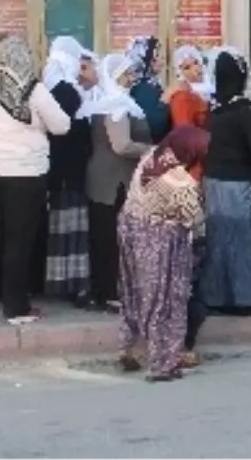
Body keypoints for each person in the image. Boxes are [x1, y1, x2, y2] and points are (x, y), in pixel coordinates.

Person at [0, 35, 72, 325]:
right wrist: (35, 125)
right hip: (25, 174)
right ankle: (16, 307)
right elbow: (62, 125)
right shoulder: (34, 89)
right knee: (19, 240)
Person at [117, 126, 210, 382]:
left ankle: (129, 348)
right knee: (164, 301)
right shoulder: (178, 180)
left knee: (135, 292)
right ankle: (163, 363)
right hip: (161, 240)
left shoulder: (151, 156)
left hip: (131, 227)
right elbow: (194, 218)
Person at [199, 50, 251, 314]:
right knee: (242, 240)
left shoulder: (213, 111)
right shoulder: (246, 111)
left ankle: (215, 296)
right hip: (237, 183)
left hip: (211, 182)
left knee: (218, 239)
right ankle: (243, 299)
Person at [82, 53, 153, 312]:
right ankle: (110, 292)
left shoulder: (110, 102)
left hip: (107, 179)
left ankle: (107, 290)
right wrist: (152, 150)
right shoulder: (116, 106)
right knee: (111, 238)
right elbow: (121, 145)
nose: (131, 78)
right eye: (126, 74)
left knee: (107, 236)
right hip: (113, 182)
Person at [42, 36, 100, 306]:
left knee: (63, 226)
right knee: (71, 226)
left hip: (60, 169)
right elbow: (67, 129)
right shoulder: (64, 90)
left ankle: (63, 283)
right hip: (68, 170)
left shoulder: (54, 85)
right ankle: (74, 285)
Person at [125, 36, 172, 143]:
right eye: (157, 57)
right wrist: (165, 99)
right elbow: (153, 124)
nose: (162, 61)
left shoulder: (151, 84)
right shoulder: (143, 88)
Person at [167, 46, 209, 130]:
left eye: (196, 62)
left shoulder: (209, 90)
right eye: (187, 67)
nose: (195, 69)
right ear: (180, 73)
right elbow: (185, 133)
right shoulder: (182, 97)